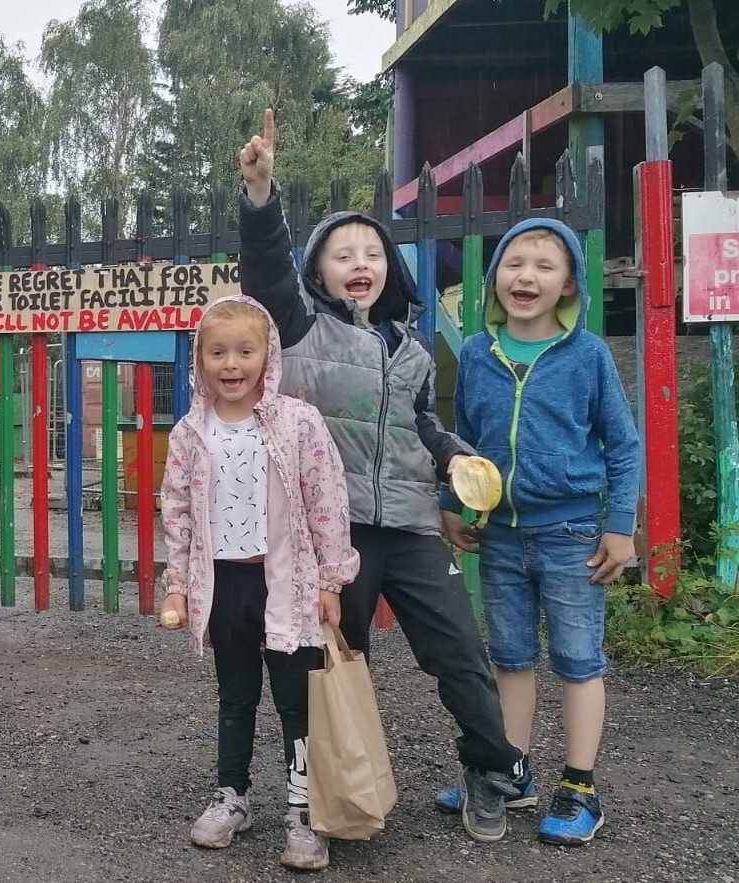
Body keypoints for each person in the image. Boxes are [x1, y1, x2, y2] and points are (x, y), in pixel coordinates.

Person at [237, 109, 528, 842]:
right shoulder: (301, 329)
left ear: (390, 268)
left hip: (411, 524)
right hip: (337, 532)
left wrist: (455, 457)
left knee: (458, 648)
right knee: (333, 658)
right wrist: (262, 193)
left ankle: (490, 768)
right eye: (341, 252)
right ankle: (326, 790)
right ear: (318, 272)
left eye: (371, 249)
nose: (359, 260)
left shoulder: (412, 346)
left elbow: (422, 425)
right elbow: (267, 269)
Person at [439, 219, 640, 846]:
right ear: (496, 275)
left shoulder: (587, 356)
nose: (527, 276)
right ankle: (511, 772)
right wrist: (452, 501)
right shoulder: (477, 351)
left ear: (569, 283)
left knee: (579, 661)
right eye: (514, 263)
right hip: (498, 533)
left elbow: (623, 446)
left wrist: (621, 527)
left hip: (574, 531)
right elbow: (463, 442)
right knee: (511, 657)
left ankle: (580, 785)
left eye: (545, 266)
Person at [157, 296, 358, 871]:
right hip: (224, 585)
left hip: (288, 585)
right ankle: (232, 796)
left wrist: (332, 579)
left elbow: (327, 502)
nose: (231, 364)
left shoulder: (297, 422)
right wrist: (178, 585)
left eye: (245, 350)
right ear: (199, 359)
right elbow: (178, 512)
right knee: (236, 695)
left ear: (268, 355)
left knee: (297, 702)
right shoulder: (191, 431)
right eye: (217, 352)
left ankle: (302, 808)